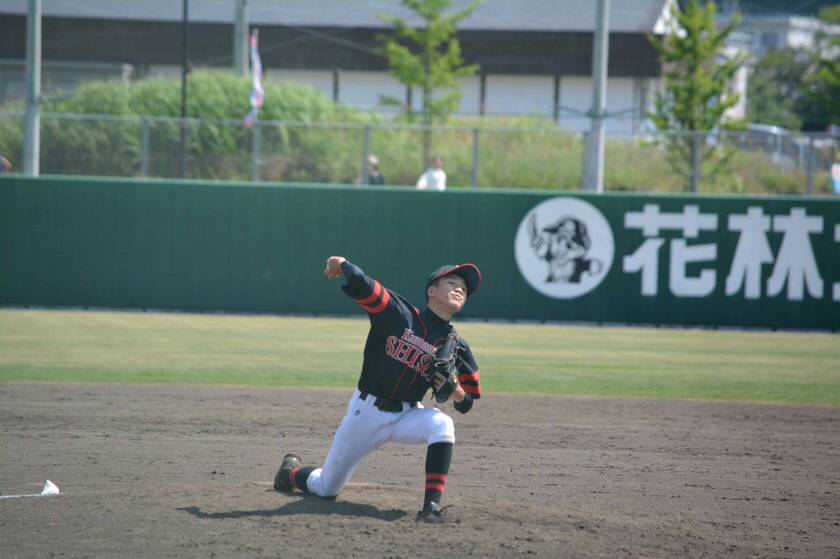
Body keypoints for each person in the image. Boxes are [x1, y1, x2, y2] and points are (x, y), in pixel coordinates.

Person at [274, 256, 482, 522]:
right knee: (327, 488)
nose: (459, 290)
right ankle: (289, 473)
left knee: (442, 425)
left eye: (464, 289)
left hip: (407, 416)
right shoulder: (399, 314)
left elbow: (467, 402)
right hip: (367, 412)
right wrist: (343, 264)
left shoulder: (456, 346)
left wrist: (456, 393)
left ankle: (431, 508)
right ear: (431, 291)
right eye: (451, 283)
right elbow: (366, 286)